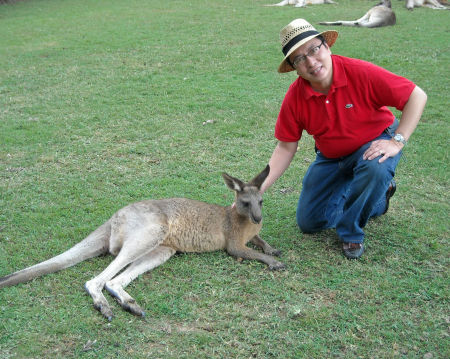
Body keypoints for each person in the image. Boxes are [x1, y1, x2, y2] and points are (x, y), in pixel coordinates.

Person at [260, 19, 427, 259]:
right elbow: (286, 147)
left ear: (327, 47)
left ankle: (351, 233)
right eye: (299, 59)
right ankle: (379, 197)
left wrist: (397, 141)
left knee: (375, 168)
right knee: (310, 222)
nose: (311, 62)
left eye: (314, 49)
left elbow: (416, 95)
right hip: (331, 157)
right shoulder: (296, 96)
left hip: (374, 142)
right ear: (294, 68)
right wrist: (259, 188)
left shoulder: (359, 72)